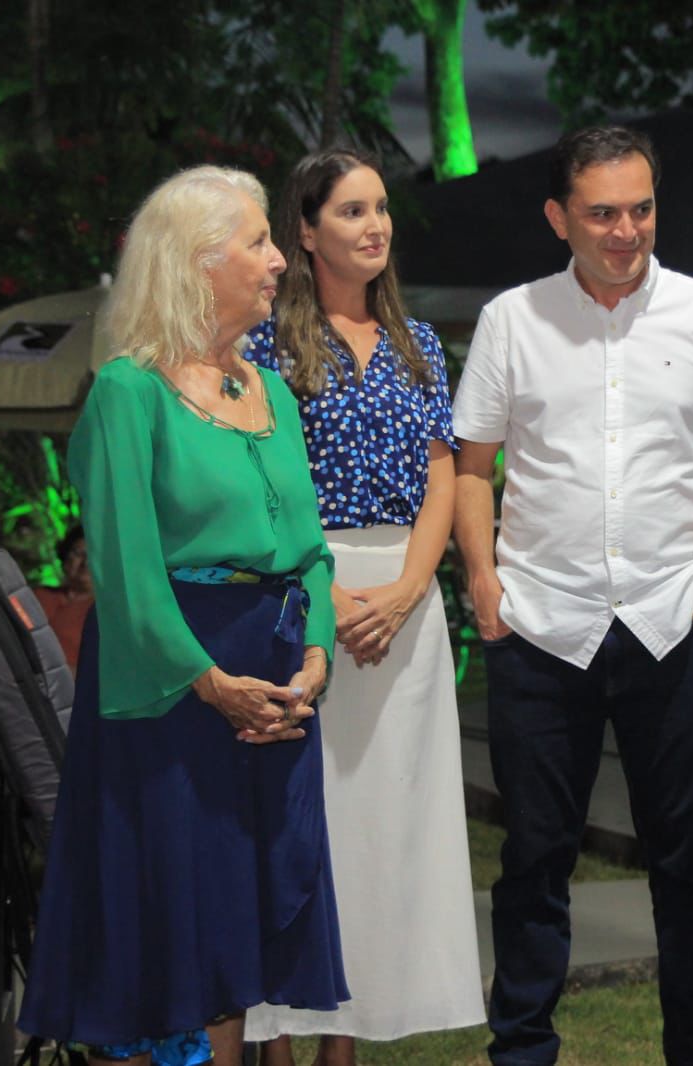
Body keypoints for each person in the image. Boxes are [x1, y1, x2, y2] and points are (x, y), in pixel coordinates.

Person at [17, 166, 346, 1066]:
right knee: (169, 915)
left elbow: (310, 553)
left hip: (275, 678)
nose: (279, 260)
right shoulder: (129, 391)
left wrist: (315, 657)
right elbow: (125, 573)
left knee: (237, 918)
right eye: (258, 241)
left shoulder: (271, 391)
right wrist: (209, 682)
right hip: (172, 688)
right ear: (197, 263)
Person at [452, 124, 693, 1066]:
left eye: (640, 209)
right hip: (542, 626)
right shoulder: (512, 319)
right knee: (534, 858)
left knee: (687, 862)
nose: (626, 231)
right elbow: (471, 464)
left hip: (677, 617)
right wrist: (483, 583)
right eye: (601, 214)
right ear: (559, 218)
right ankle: (522, 1051)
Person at [242, 148, 483, 1064]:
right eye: (351, 210)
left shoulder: (418, 344)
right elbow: (258, 484)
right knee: (303, 825)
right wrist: (328, 596)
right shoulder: (264, 344)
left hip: (405, 606)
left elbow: (441, 476)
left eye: (380, 208)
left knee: (387, 830)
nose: (374, 225)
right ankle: (275, 1039)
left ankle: (347, 1039)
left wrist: (412, 589)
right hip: (303, 595)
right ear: (305, 232)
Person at [33, 525, 93, 672]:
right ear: (65, 558)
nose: (86, 563)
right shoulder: (38, 595)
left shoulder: (103, 612)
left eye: (94, 556)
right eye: (79, 554)